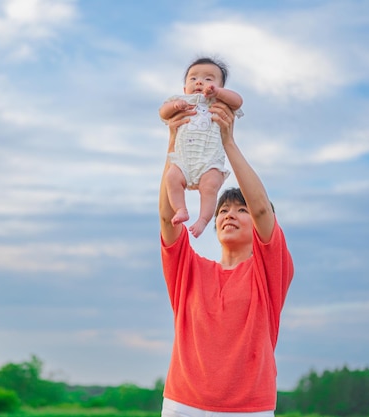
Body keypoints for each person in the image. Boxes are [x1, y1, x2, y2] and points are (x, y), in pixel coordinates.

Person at [158, 61, 294, 416]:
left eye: (240, 210)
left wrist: (228, 141)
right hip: (182, 404)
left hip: (249, 408)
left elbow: (263, 210)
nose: (229, 214)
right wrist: (174, 144)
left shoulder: (268, 272)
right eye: (221, 211)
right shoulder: (188, 270)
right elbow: (165, 219)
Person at [159, 57, 244, 238]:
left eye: (208, 79)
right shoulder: (182, 100)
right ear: (184, 89)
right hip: (184, 158)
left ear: (220, 87)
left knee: (210, 185)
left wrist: (218, 93)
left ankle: (204, 219)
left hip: (209, 159)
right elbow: (163, 112)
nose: (199, 82)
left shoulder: (218, 103)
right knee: (172, 177)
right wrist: (175, 106)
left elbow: (238, 101)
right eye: (193, 78)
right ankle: (181, 208)